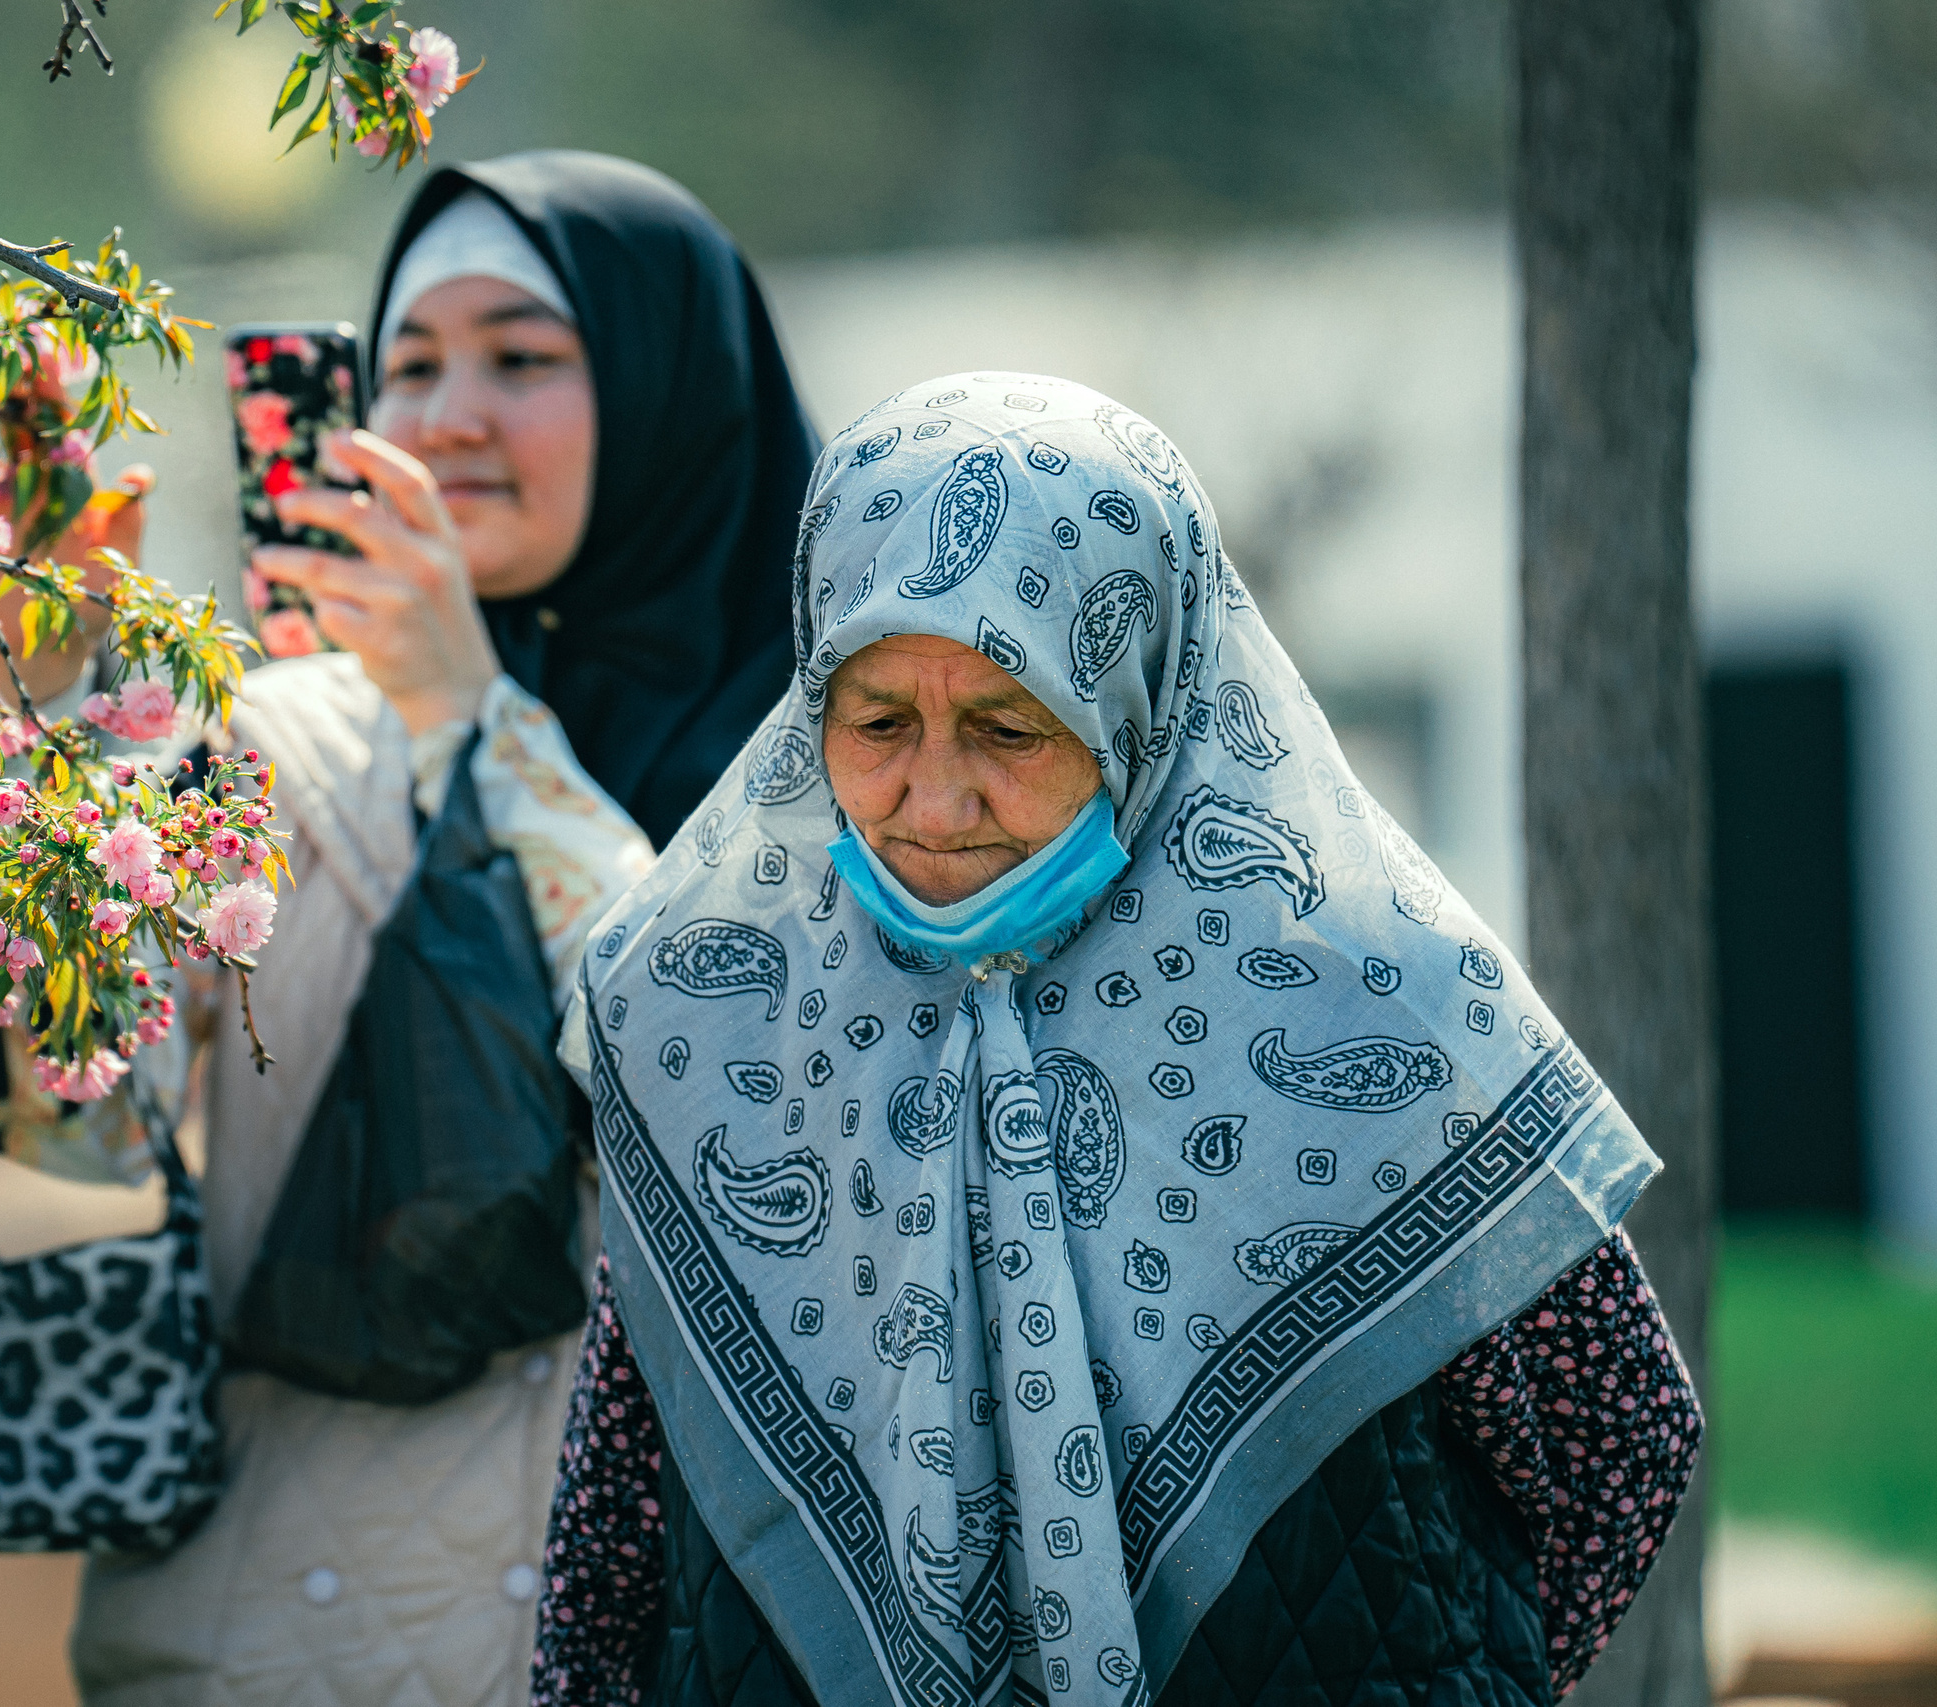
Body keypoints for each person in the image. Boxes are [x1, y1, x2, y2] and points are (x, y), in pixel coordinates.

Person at [533, 375, 1703, 1706]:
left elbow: (1621, 1433)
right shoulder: (699, 1009)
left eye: (1008, 725)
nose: (932, 795)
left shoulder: (1378, 1003)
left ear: (1141, 695)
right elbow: (608, 1551)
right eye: (874, 723)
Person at [66, 151, 820, 1706]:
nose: (450, 415)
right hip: (288, 1646)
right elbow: (60, 1128)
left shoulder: (854, 758)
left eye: (524, 359)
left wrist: (482, 724)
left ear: (676, 390)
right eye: (408, 365)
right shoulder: (271, 741)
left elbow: (759, 1117)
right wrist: (30, 740)